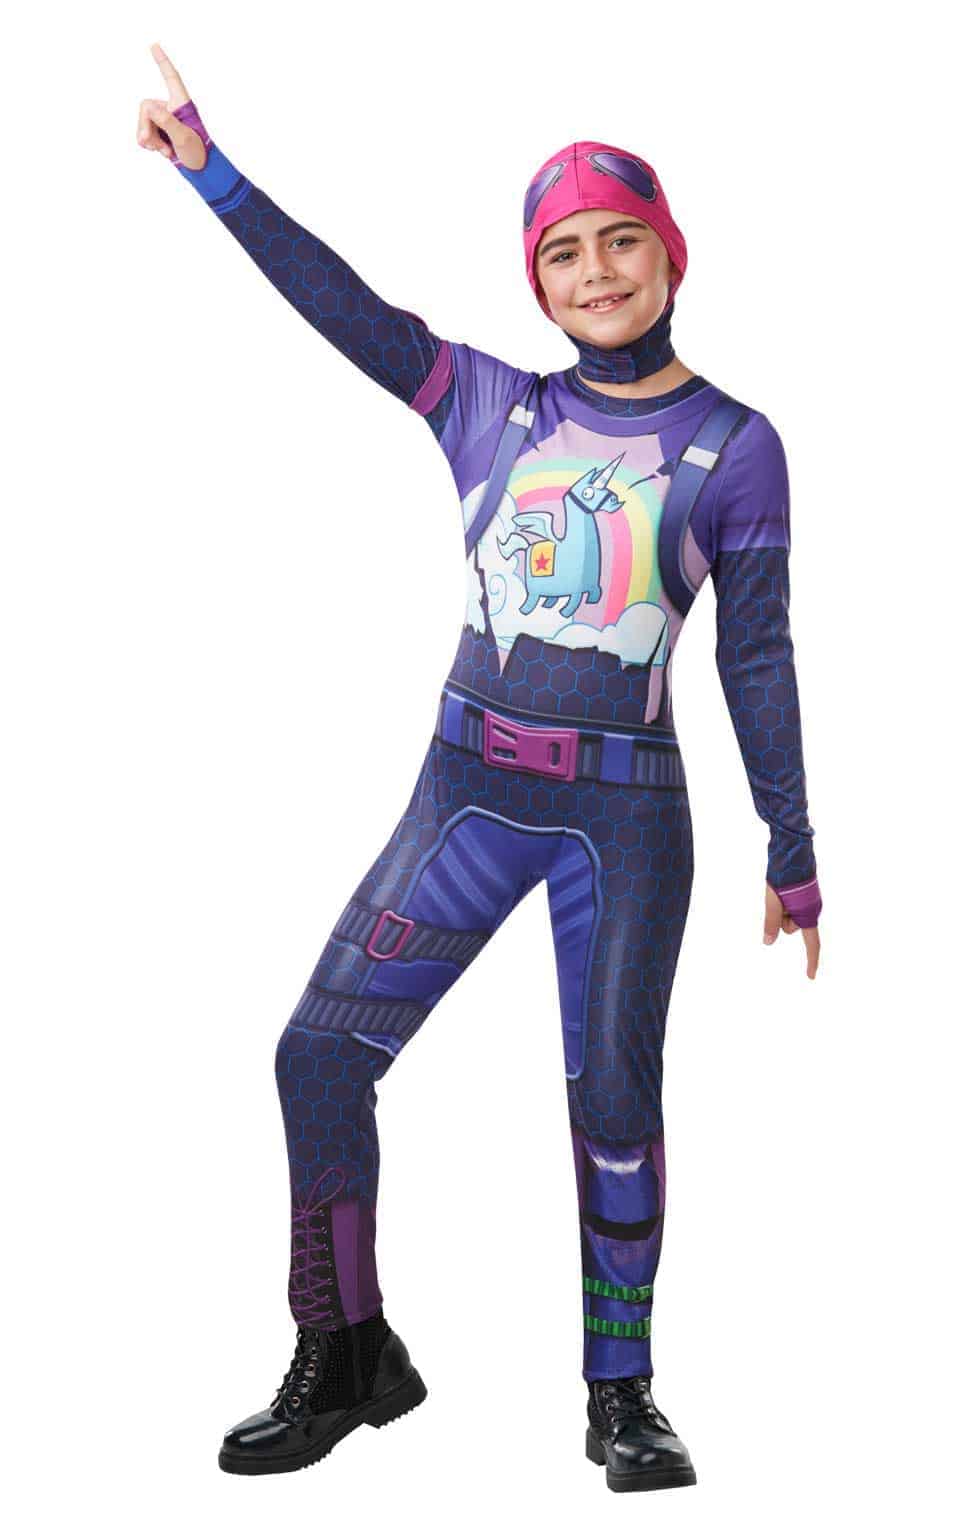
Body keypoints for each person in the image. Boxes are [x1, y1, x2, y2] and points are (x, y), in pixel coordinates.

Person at [137, 41, 822, 1492]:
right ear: (537, 283)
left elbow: (756, 660)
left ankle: (622, 1396)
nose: (595, 271)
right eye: (564, 252)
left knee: (614, 1104)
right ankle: (347, 1350)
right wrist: (217, 177)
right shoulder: (487, 405)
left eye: (620, 240)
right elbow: (349, 310)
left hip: (623, 823)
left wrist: (795, 846)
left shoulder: (737, 446)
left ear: (672, 254)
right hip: (465, 795)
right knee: (319, 1056)